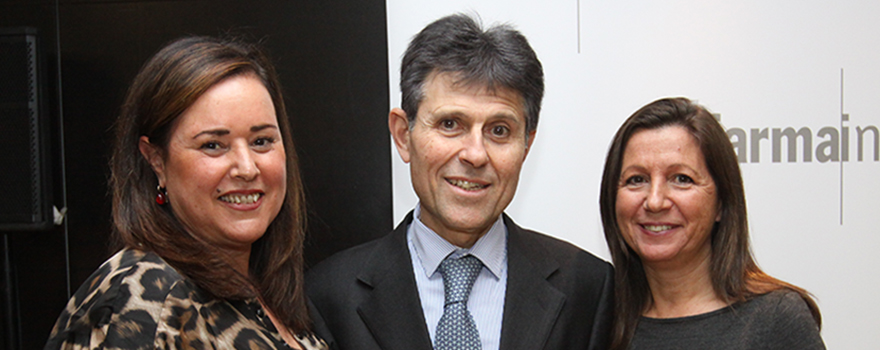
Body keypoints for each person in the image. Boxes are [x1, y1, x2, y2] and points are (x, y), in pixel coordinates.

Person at [306, 13, 613, 350]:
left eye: (499, 130)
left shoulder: (588, 289)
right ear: (403, 136)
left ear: (527, 145)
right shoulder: (327, 296)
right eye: (450, 124)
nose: (475, 155)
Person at [44, 36, 327, 350]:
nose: (247, 168)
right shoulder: (144, 298)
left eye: (261, 141)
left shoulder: (267, 293)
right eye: (212, 145)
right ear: (156, 160)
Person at [599, 97, 825, 349]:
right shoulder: (596, 322)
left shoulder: (775, 319)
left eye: (681, 179)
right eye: (636, 179)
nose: (654, 201)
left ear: (721, 202)